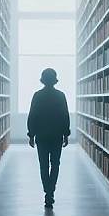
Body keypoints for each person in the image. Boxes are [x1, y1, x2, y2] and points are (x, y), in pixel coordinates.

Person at [27, 68, 70, 208]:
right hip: (57, 135)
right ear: (55, 80)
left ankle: (48, 191)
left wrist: (31, 134)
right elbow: (65, 116)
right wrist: (66, 134)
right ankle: (51, 190)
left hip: (42, 136)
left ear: (43, 80)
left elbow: (32, 115)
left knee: (43, 165)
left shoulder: (37, 96)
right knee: (56, 163)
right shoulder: (60, 95)